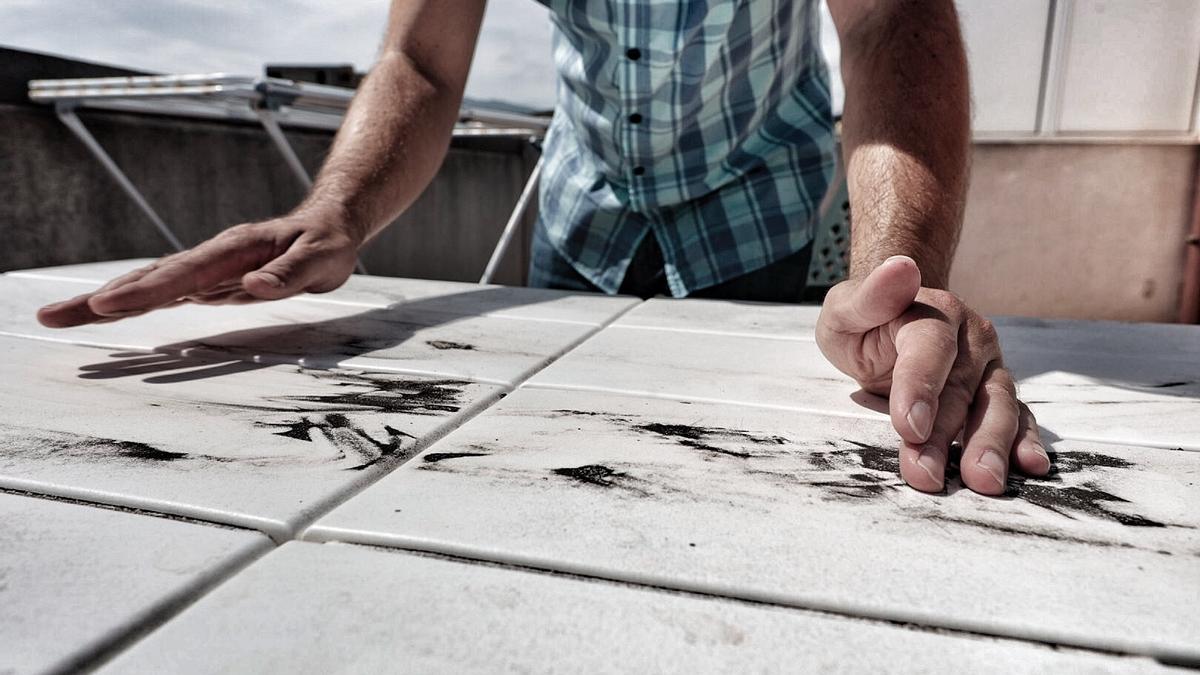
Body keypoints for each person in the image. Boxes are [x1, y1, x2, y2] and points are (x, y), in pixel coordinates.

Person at [36, 0, 1052, 495]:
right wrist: (337, 210)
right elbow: (423, 56)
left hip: (760, 218)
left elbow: (887, 21)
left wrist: (898, 287)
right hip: (582, 223)